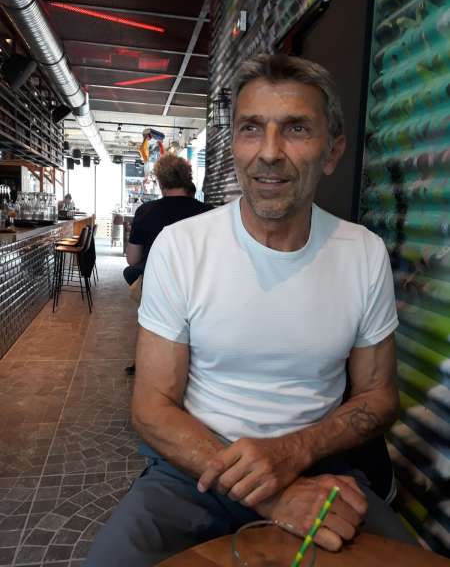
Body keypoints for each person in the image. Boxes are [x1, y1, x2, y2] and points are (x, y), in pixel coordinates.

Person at [86, 54, 416, 567]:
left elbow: (379, 395)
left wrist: (293, 454)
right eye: (251, 129)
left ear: (332, 152)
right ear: (235, 145)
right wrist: (273, 494)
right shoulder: (182, 246)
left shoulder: (363, 253)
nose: (269, 152)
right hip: (194, 471)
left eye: (296, 129)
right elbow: (151, 408)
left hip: (316, 468)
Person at [123, 154, 212, 374]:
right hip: (200, 289)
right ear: (188, 178)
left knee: (153, 324)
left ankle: (148, 365)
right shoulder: (209, 213)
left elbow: (132, 259)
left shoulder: (145, 211)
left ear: (160, 182)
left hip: (157, 287)